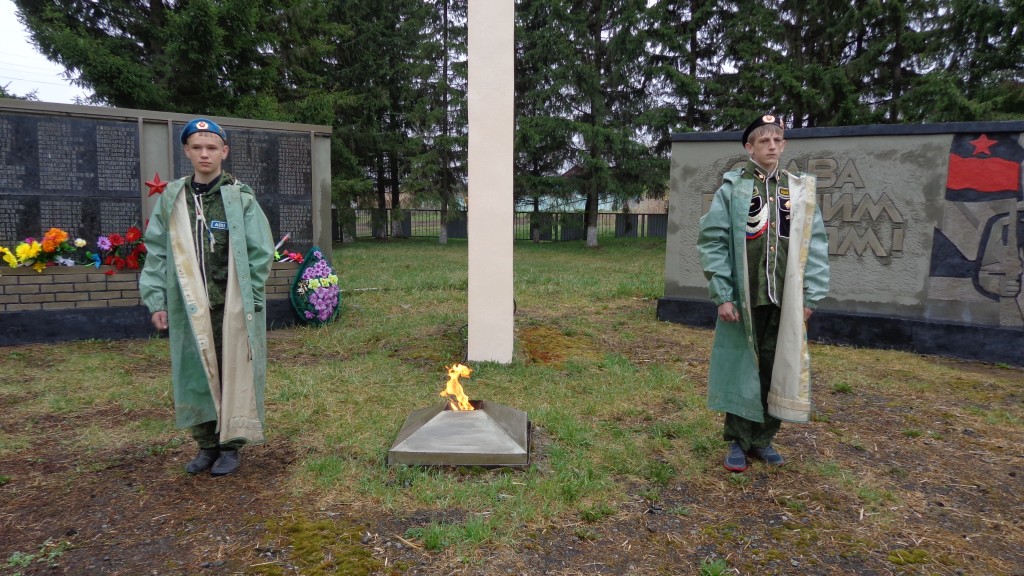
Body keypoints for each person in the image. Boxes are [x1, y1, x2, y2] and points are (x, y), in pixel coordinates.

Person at [139, 118, 275, 477]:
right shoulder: (173, 199)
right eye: (197, 147)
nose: (204, 154)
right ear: (186, 150)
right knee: (195, 372)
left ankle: (230, 445)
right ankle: (206, 445)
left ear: (223, 152)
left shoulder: (239, 198)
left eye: (211, 147)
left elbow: (260, 251)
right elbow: (157, 251)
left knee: (234, 370)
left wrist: (252, 297)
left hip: (230, 305)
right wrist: (156, 301)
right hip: (188, 305)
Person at [697, 114, 830, 472]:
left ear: (784, 145)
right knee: (743, 368)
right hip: (744, 297)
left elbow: (816, 244)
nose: (772, 146)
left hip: (785, 299)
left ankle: (763, 439)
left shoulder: (798, 192)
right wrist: (723, 294)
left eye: (777, 140)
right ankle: (738, 441)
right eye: (764, 141)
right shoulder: (733, 190)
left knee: (777, 367)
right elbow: (712, 242)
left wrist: (810, 296)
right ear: (750, 147)